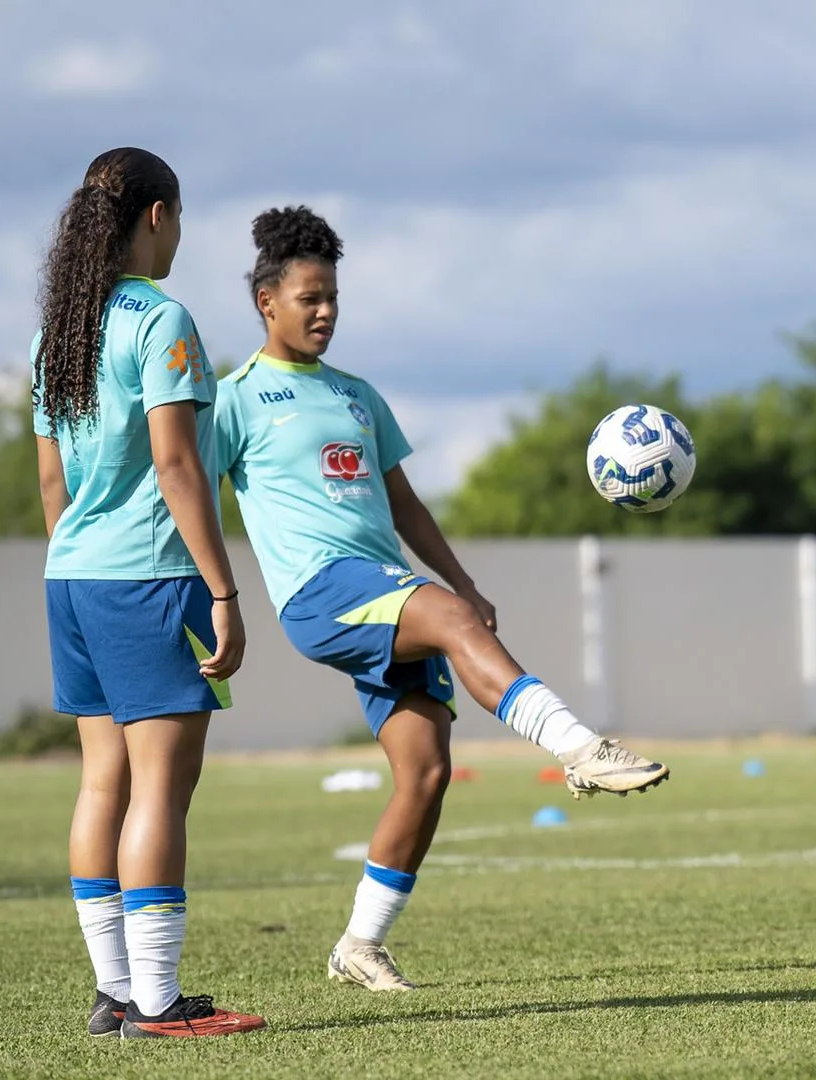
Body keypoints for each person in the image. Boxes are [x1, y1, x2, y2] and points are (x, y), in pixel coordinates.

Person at [206, 205, 670, 992]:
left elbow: (406, 505)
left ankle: (359, 945)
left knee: (423, 774)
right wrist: (215, 597)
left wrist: (464, 584)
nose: (325, 313)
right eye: (309, 298)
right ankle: (579, 748)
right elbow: (186, 492)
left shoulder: (357, 396)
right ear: (267, 303)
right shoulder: (236, 399)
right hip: (323, 594)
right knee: (450, 628)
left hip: (389, 590)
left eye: (334, 300)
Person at [32, 147, 265, 1039]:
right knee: (160, 791)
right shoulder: (160, 319)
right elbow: (176, 464)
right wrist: (223, 590)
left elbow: (52, 484)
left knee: (103, 786)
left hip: (74, 577)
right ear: (158, 214)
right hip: (151, 577)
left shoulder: (58, 328)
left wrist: (81, 563)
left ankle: (114, 992)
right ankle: (158, 1005)